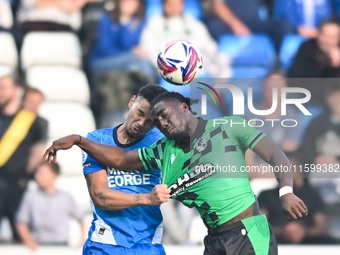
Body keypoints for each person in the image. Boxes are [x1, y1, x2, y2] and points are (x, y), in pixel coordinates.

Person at [44, 92, 309, 255]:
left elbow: (276, 155)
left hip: (248, 232)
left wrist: (286, 191)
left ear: (184, 107)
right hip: (215, 239)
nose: (162, 123)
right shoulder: (163, 150)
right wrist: (80, 140)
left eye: (164, 115)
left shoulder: (228, 127)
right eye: (157, 121)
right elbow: (120, 158)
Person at [83, 85, 169, 254]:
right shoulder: (96, 140)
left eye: (150, 121)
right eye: (140, 113)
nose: (141, 123)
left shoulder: (162, 144)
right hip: (104, 245)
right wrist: (146, 198)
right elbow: (100, 197)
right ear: (132, 102)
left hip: (148, 245)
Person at [0, 75, 48, 242]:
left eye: (3, 88)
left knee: (21, 240)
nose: (0, 92)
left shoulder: (33, 121)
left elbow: (38, 152)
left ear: (17, 91)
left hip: (18, 188)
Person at [140, 0, 230, 78]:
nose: (174, 8)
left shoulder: (193, 23)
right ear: (164, 5)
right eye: (171, 4)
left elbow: (208, 45)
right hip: (167, 68)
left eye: (177, 4)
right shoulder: (154, 24)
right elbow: (149, 48)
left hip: (194, 66)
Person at [16, 161, 85, 249]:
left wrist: (82, 238)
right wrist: (28, 240)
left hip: (62, 247)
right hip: (38, 248)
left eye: (42, 174)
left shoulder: (66, 197)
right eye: (37, 173)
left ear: (53, 175)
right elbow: (21, 222)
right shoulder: (31, 196)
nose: (37, 177)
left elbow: (81, 219)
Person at [258, 169, 334, 244]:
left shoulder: (313, 195)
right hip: (275, 241)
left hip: (308, 243)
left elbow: (321, 226)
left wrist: (303, 232)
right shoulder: (266, 195)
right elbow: (259, 225)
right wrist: (284, 231)